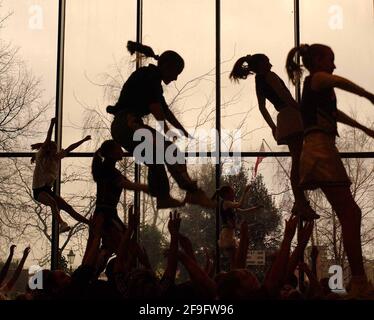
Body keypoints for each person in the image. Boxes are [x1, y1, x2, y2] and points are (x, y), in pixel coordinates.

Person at [286, 43, 374, 298]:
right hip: (320, 150)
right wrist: (368, 95)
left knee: (351, 213)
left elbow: (334, 113)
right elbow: (337, 80)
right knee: (350, 213)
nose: (333, 65)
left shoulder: (316, 88)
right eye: (330, 59)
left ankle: (358, 280)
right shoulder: (317, 79)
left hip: (319, 148)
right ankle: (358, 281)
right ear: (316, 60)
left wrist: (362, 128)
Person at [108, 41, 215, 210]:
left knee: (155, 159)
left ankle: (163, 197)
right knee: (169, 150)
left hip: (123, 127)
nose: (175, 78)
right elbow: (155, 107)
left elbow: (164, 109)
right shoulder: (150, 77)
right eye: (176, 73)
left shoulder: (152, 79)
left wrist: (181, 130)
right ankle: (192, 192)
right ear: (167, 66)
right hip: (127, 123)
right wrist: (166, 130)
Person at [230, 54, 319, 221]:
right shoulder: (269, 76)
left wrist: (272, 126)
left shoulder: (259, 81)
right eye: (267, 61)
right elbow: (284, 95)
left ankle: (299, 201)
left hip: (283, 118)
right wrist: (300, 110)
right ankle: (300, 202)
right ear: (262, 64)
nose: (271, 63)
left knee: (297, 160)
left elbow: (262, 108)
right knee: (298, 161)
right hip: (291, 115)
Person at [31, 118, 90, 233]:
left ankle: (89, 223)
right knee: (53, 203)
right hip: (38, 190)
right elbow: (47, 139)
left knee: (68, 208)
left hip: (48, 190)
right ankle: (61, 224)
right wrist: (52, 124)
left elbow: (70, 148)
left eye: (56, 149)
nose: (55, 151)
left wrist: (83, 140)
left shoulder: (56, 158)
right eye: (53, 149)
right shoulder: (41, 156)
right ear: (48, 149)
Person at [91, 139, 149, 254]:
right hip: (107, 216)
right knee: (129, 248)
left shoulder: (104, 169)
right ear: (112, 153)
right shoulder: (111, 172)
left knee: (119, 247)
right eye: (119, 148)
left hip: (105, 213)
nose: (122, 151)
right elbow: (127, 184)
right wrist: (148, 188)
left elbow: (126, 183)